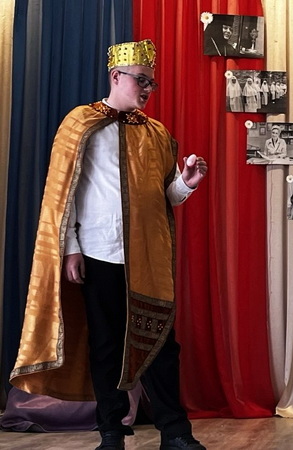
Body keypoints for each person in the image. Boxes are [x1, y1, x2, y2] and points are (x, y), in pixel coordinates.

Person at [9, 39, 207, 450]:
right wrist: (70, 247)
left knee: (162, 347)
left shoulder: (156, 133)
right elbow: (63, 193)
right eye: (141, 80)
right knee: (105, 345)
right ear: (116, 76)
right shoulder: (79, 123)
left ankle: (176, 433)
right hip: (99, 253)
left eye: (151, 82)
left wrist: (186, 182)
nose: (148, 89)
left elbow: (166, 197)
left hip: (147, 258)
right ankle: (112, 433)